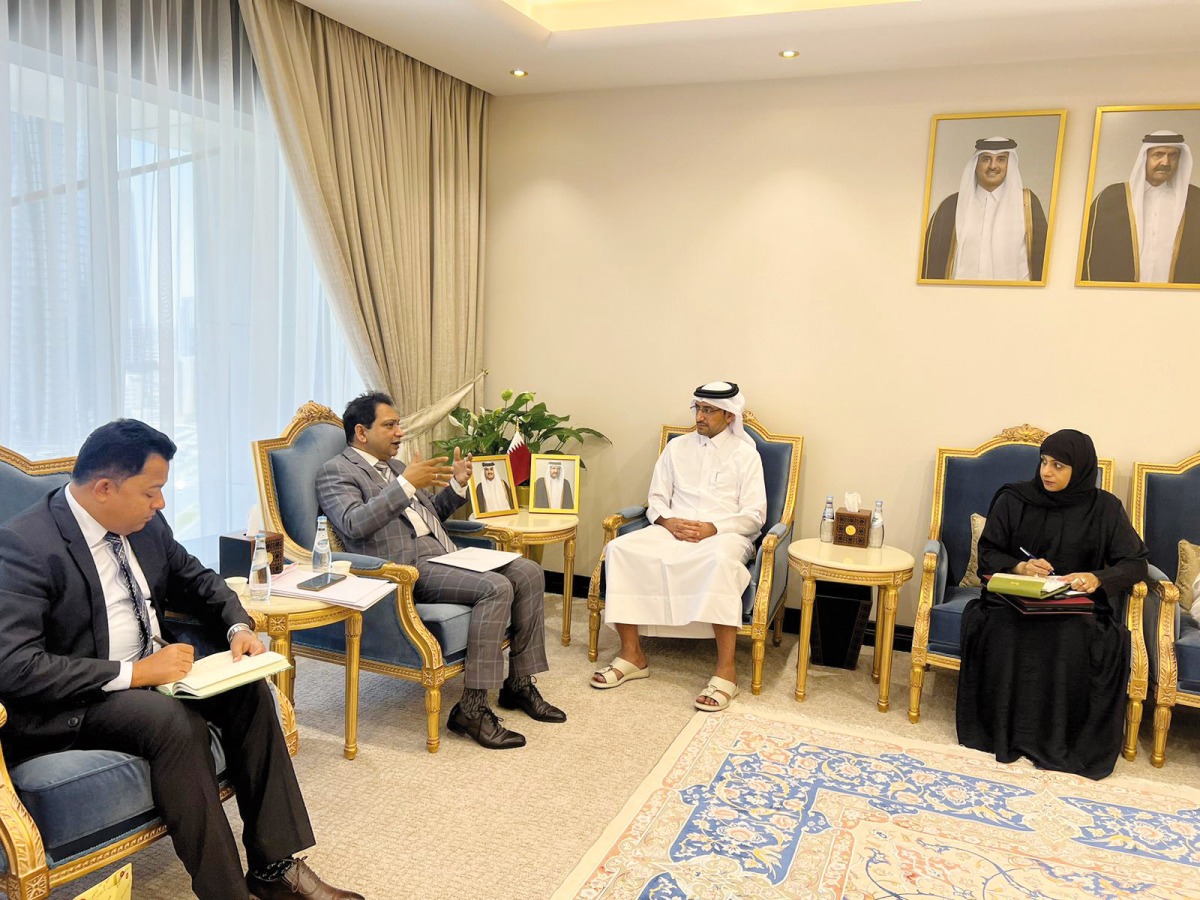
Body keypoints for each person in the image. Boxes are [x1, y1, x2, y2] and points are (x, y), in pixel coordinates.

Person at [0, 420, 361, 900]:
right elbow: (16, 666)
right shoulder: (25, 546)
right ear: (104, 488)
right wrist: (135, 673)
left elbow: (200, 580)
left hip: (157, 671)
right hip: (76, 699)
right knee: (171, 722)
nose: (161, 504)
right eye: (152, 492)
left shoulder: (147, 527)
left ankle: (274, 869)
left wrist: (238, 629)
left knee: (248, 691)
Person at [316, 392, 565, 750]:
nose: (400, 432)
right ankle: (473, 709)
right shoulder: (336, 471)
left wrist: (458, 485)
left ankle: (519, 684)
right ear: (361, 432)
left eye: (399, 423)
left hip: (444, 556)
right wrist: (406, 485)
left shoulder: (399, 469)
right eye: (390, 425)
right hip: (407, 570)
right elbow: (354, 524)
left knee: (528, 571)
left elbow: (429, 514)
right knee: (496, 587)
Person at [956, 429, 1149, 780]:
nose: (1047, 472)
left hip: (1075, 606)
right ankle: (1005, 733)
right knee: (1007, 625)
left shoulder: (1105, 509)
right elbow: (988, 553)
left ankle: (1056, 737)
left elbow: (1136, 563)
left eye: (1058, 466)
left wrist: (1097, 578)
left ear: (1081, 469)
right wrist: (1020, 566)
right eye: (1044, 462)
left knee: (1072, 631)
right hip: (1014, 600)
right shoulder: (1014, 499)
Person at [591, 382, 766, 711]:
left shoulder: (746, 454)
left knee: (720, 564)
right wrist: (669, 522)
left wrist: (714, 527)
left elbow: (755, 515)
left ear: (729, 415)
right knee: (621, 550)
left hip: (725, 535)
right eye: (697, 408)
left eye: (707, 410)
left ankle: (727, 672)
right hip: (674, 528)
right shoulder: (677, 448)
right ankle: (632, 654)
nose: (699, 416)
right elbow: (656, 500)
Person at [922, 136, 1047, 281]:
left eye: (1001, 159)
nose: (993, 166)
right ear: (976, 164)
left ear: (1010, 164)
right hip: (957, 298)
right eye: (986, 159)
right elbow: (932, 260)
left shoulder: (1026, 204)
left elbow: (1042, 258)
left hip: (1013, 299)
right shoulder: (951, 205)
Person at [1081, 131, 1200, 284]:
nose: (1165, 162)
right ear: (1145, 157)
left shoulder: (1195, 200)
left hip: (1178, 299)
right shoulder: (1111, 198)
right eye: (1158, 154)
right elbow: (1092, 254)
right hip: (1119, 297)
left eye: (1173, 156)